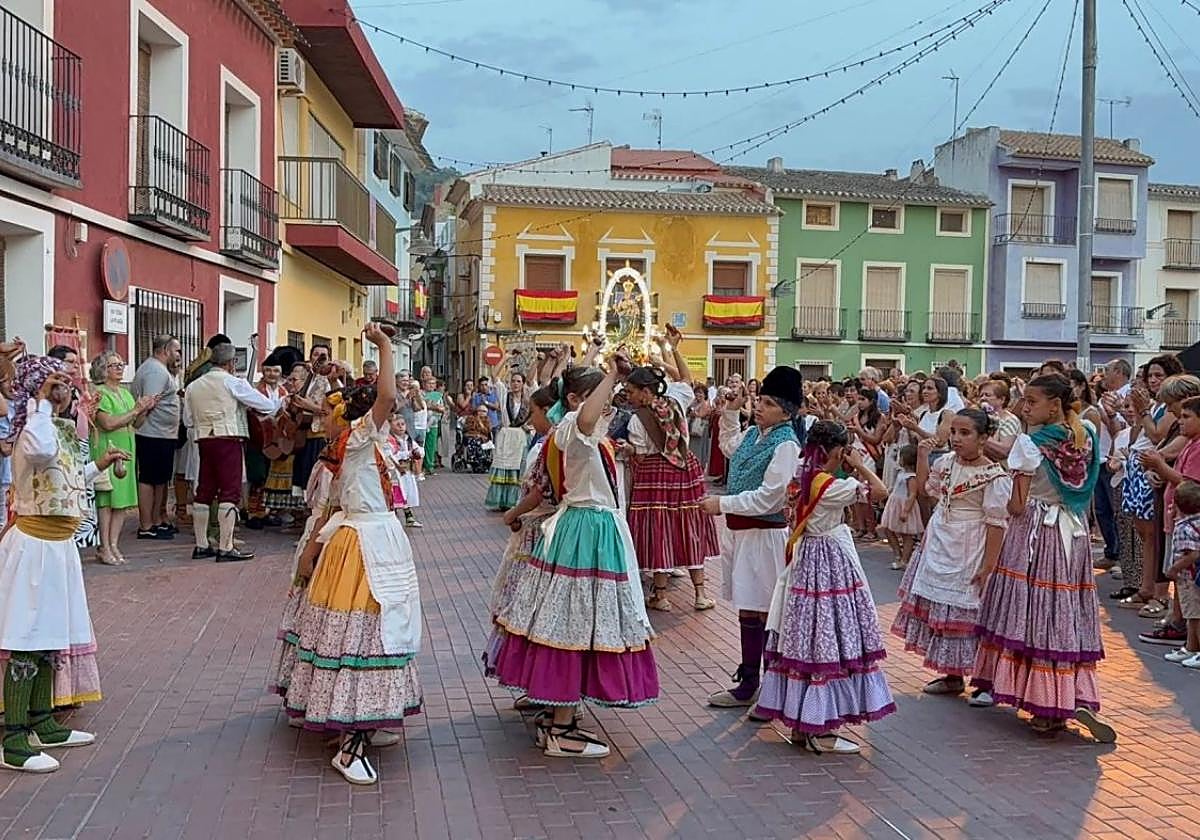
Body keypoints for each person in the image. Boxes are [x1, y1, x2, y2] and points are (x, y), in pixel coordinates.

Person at [272, 324, 422, 785]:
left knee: (372, 633)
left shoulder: (359, 444)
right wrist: (381, 347)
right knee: (362, 636)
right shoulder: (356, 441)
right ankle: (349, 737)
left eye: (333, 411)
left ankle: (362, 719)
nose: (326, 418)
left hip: (371, 541)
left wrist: (311, 550)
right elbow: (387, 401)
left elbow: (334, 503)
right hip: (360, 546)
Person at [491, 361, 658, 759]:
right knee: (574, 623)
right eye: (600, 393)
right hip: (587, 531)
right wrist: (612, 376)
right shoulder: (574, 427)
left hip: (586, 529)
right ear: (576, 397)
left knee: (570, 621)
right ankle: (562, 726)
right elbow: (585, 420)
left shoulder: (579, 430)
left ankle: (556, 715)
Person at [0, 355, 129, 773]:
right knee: (27, 637)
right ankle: (14, 740)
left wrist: (99, 465)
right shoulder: (32, 429)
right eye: (55, 382)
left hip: (58, 548)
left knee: (53, 637)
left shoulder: (56, 428)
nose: (65, 389)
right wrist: (37, 400)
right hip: (33, 546)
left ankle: (43, 722)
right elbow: (39, 454)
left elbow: (66, 477)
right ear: (38, 387)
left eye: (65, 383)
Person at [971, 373, 1114, 741]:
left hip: (1037, 529)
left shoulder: (1031, 443)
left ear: (1054, 404)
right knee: (1064, 607)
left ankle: (1042, 702)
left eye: (1031, 401)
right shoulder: (1085, 436)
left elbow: (1017, 505)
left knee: (1033, 608)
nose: (1025, 407)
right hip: (1073, 530)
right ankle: (1069, 693)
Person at [751, 421, 895, 755]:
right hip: (829, 561)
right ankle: (821, 728)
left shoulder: (801, 477)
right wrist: (858, 465)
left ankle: (802, 723)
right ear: (838, 451)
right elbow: (881, 492)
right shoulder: (831, 487)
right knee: (830, 637)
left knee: (804, 636)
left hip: (804, 562)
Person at [699, 366, 803, 712]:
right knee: (749, 607)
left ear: (786, 412)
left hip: (765, 535)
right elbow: (729, 447)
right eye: (759, 401)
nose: (759, 407)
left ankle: (768, 685)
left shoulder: (786, 444)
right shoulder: (755, 435)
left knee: (767, 611)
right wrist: (730, 410)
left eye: (768, 403)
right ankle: (749, 680)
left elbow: (771, 497)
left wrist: (722, 502)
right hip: (743, 532)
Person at [892, 410, 1011, 702]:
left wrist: (989, 565)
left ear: (983, 438)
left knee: (971, 611)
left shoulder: (994, 476)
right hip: (942, 538)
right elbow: (926, 490)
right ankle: (952, 675)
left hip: (971, 544)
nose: (956, 439)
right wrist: (922, 455)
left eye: (965, 433)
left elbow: (997, 523)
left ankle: (985, 680)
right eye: (954, 432)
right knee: (943, 611)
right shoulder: (946, 462)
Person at [625, 326, 718, 612]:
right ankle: (700, 594)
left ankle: (661, 596)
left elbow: (640, 455)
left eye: (631, 391)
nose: (628, 396)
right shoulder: (676, 399)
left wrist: (627, 452)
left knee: (660, 529)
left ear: (644, 391)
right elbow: (687, 378)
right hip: (686, 469)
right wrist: (674, 348)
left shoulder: (636, 421)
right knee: (688, 524)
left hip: (654, 474)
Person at [483, 384, 559, 703]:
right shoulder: (546, 440)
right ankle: (534, 682)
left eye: (536, 411)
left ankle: (543, 685)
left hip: (540, 533)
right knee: (524, 608)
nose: (531, 418)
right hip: (531, 532)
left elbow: (540, 490)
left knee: (532, 608)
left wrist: (512, 513)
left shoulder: (554, 442)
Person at [183, 343, 284, 562]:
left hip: (204, 438)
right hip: (228, 437)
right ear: (231, 363)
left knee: (205, 489)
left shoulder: (193, 386)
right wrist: (281, 401)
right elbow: (267, 406)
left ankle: (201, 545)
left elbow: (188, 420)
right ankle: (225, 546)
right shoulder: (234, 382)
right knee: (230, 490)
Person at [89, 352, 154, 566]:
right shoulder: (99, 393)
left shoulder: (125, 393)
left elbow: (135, 424)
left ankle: (114, 544)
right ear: (103, 370)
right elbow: (107, 423)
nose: (119, 368)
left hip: (126, 451)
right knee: (107, 501)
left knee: (121, 503)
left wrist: (145, 410)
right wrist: (136, 410)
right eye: (114, 365)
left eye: (121, 364)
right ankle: (104, 546)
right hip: (107, 450)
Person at [46, 345, 100, 553]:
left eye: (77, 363)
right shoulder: (50, 391)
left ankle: (76, 546)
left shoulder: (75, 390)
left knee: (81, 498)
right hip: (62, 450)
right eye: (71, 362)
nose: (76, 367)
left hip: (80, 448)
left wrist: (87, 411)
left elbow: (82, 426)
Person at [130, 334, 181, 540]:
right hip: (152, 434)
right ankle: (146, 525)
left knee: (160, 479)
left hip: (162, 434)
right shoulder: (154, 371)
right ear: (165, 350)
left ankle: (158, 520)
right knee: (149, 479)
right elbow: (147, 403)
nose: (179, 355)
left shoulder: (161, 370)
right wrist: (140, 423)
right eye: (176, 350)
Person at [244, 360, 288, 530]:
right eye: (268, 370)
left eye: (275, 371)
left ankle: (264, 511)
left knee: (270, 477)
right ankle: (252, 512)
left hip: (276, 439)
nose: (271, 374)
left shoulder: (284, 391)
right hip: (258, 437)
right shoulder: (255, 390)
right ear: (263, 372)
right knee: (257, 475)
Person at [1161, 481, 1200, 667]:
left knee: (1195, 615)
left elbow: (1192, 553)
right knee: (1191, 615)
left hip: (1188, 579)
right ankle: (1191, 647)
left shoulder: (1184, 529)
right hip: (1192, 578)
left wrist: (1175, 568)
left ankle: (1197, 649)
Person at [290, 344, 333, 495]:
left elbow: (331, 410)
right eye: (316, 355)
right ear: (310, 357)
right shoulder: (307, 378)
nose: (319, 358)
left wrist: (310, 406)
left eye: (323, 356)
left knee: (316, 477)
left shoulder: (329, 381)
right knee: (304, 476)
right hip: (302, 433)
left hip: (319, 433)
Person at [485, 372, 531, 511]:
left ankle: (513, 500)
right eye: (513, 381)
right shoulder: (505, 395)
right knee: (503, 466)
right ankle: (500, 500)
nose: (515, 384)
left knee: (518, 468)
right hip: (506, 435)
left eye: (518, 381)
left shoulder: (527, 400)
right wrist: (507, 357)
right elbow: (494, 377)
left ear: (523, 383)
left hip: (520, 436)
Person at [878, 443, 923, 571]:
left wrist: (906, 510)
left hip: (903, 505)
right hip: (894, 503)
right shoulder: (901, 473)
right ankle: (898, 554)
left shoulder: (911, 477)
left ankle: (904, 559)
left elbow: (912, 494)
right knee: (888, 529)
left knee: (906, 534)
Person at [386, 415, 423, 528]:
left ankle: (409, 517)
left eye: (403, 424)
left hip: (407, 470)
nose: (401, 427)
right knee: (398, 494)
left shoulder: (408, 440)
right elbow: (391, 455)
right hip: (397, 472)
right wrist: (407, 454)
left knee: (407, 493)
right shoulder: (390, 440)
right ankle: (394, 517)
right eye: (398, 424)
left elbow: (418, 450)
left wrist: (418, 452)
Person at [421, 376, 445, 474]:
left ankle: (429, 466)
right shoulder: (421, 393)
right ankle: (421, 466)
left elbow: (441, 408)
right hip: (422, 423)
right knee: (422, 445)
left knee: (431, 446)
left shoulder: (437, 395)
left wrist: (434, 407)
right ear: (424, 384)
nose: (431, 385)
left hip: (434, 423)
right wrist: (433, 407)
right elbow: (424, 405)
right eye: (429, 383)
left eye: (433, 383)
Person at [462, 406, 493, 473]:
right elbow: (467, 429)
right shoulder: (471, 418)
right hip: (471, 436)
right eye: (480, 411)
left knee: (479, 441)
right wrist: (475, 434)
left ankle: (482, 461)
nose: (481, 413)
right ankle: (474, 460)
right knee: (474, 441)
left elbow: (487, 431)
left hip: (483, 438)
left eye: (484, 411)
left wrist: (481, 424)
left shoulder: (487, 420)